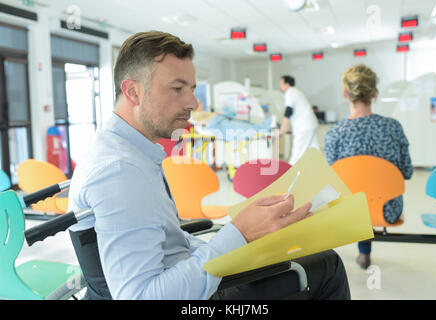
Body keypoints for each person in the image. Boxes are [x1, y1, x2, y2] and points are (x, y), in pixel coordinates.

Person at [68, 30, 350, 300]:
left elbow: (168, 244)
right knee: (327, 265)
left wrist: (241, 243)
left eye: (190, 89)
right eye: (177, 89)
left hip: (185, 274)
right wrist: (238, 234)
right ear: (132, 92)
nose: (192, 102)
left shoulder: (128, 154)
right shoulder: (120, 172)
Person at [324, 64, 413, 269]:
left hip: (350, 212)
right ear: (374, 93)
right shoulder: (393, 127)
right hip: (387, 209)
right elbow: (406, 172)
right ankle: (365, 252)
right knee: (369, 194)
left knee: (356, 196)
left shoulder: (335, 133)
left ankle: (363, 252)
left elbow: (333, 181)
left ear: (345, 93)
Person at [279, 75, 320, 166]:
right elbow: (299, 112)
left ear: (287, 84)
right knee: (315, 152)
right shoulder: (296, 92)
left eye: (281, 83)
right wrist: (290, 128)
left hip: (304, 127)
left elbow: (288, 111)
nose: (280, 85)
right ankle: (322, 174)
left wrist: (281, 130)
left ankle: (290, 177)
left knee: (296, 155)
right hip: (310, 124)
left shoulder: (290, 92)